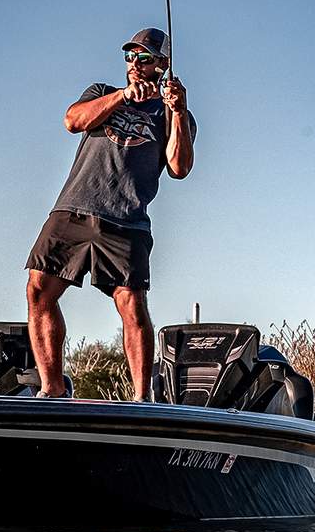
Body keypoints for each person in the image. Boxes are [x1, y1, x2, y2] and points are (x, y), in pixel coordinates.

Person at [24, 27, 196, 400]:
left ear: (162, 64)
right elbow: (73, 121)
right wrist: (122, 97)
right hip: (73, 209)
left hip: (127, 220)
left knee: (131, 304)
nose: (135, 63)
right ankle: (52, 390)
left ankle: (142, 397)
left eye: (145, 58)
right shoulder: (102, 93)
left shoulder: (170, 113)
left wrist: (178, 112)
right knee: (38, 289)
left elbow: (179, 167)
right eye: (130, 57)